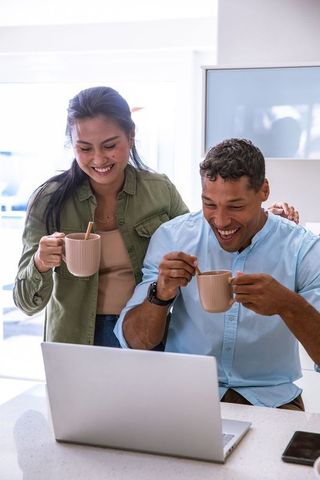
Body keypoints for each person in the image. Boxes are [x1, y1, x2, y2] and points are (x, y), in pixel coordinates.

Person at [114, 138, 320, 410]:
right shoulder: (173, 237)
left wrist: (287, 305)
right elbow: (136, 343)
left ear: (264, 191)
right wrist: (160, 295)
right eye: (210, 204)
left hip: (272, 400)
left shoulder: (302, 247)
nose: (221, 221)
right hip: (184, 395)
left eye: (235, 206)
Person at [13, 86, 188, 347]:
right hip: (74, 340)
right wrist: (40, 262)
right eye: (84, 148)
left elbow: (198, 249)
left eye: (109, 145)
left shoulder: (160, 191)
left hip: (146, 333)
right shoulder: (48, 201)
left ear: (131, 136)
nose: (98, 159)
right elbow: (25, 303)